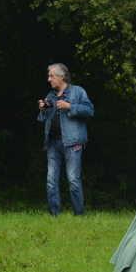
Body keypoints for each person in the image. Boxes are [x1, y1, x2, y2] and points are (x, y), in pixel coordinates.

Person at [37, 63, 94, 216]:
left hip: (72, 143)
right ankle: (54, 215)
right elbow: (44, 119)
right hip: (52, 143)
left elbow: (89, 111)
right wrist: (43, 109)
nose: (49, 79)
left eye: (51, 76)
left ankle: (79, 215)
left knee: (73, 180)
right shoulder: (51, 95)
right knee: (50, 181)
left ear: (61, 77)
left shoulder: (78, 92)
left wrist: (70, 106)